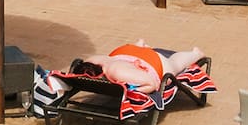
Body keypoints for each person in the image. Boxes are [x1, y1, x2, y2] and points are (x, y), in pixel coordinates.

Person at [75, 42, 208, 89]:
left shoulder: (117, 72)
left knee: (174, 64)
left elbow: (152, 84)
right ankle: (139, 44)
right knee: (174, 64)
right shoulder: (92, 60)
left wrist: (134, 91)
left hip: (151, 60)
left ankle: (196, 53)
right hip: (124, 51)